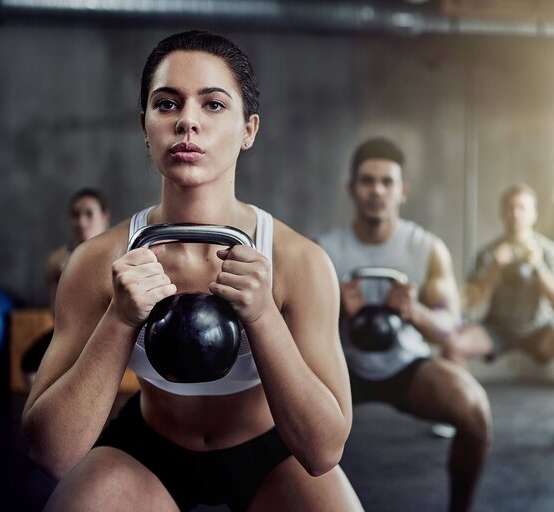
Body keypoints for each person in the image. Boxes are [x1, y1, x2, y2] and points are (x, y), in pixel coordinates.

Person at [22, 30, 362, 511]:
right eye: (167, 104)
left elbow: (324, 450)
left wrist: (262, 315)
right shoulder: (98, 262)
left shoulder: (299, 262)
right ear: (145, 125)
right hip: (150, 450)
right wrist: (120, 318)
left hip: (271, 453)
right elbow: (51, 452)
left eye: (213, 105)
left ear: (249, 130)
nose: (187, 121)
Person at [317, 138, 492, 512]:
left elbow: (451, 329)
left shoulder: (426, 248)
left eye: (387, 182)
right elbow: (297, 328)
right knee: (274, 422)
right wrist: (338, 312)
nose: (377, 191)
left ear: (403, 191)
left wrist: (415, 312)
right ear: (352, 189)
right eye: (367, 181)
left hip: (404, 366)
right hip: (341, 368)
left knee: (475, 412)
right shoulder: (324, 250)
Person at [449, 183, 554, 449]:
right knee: (451, 344)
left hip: (540, 328)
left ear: (533, 214)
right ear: (502, 213)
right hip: (497, 329)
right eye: (510, 208)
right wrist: (495, 268)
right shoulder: (488, 253)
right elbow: (471, 305)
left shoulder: (548, 251)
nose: (515, 214)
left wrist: (538, 267)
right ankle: (465, 412)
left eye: (522, 208)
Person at [21, 188, 111, 388]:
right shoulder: (57, 260)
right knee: (30, 365)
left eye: (89, 214)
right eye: (75, 215)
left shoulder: (116, 252)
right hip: (69, 332)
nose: (81, 222)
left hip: (108, 332)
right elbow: (55, 307)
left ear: (104, 217)